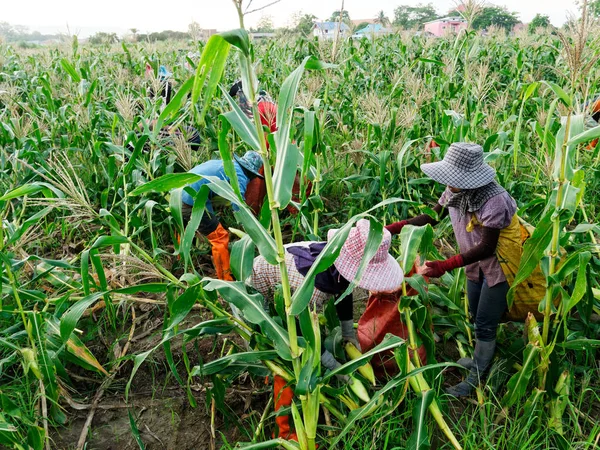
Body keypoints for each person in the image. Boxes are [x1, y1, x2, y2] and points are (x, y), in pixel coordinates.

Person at [385, 142, 522, 398]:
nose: (448, 183)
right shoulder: (454, 191)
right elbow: (432, 216)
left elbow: (487, 248)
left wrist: (444, 266)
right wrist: (393, 228)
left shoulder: (495, 200)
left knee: (484, 323)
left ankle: (476, 377)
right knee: (475, 314)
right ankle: (481, 360)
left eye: (452, 178)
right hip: (474, 268)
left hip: (498, 269)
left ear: (470, 179)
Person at [250, 219, 404, 439]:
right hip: (258, 299)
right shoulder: (310, 290)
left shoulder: (335, 262)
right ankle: (284, 431)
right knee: (287, 355)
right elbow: (304, 334)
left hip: (289, 296)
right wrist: (335, 367)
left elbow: (345, 290)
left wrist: (347, 331)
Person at [182, 151, 265, 281]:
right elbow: (238, 205)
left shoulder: (225, 164)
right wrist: (248, 227)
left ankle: (180, 261)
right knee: (220, 237)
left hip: (178, 194)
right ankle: (225, 278)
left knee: (183, 230)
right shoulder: (239, 175)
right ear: (251, 172)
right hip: (192, 202)